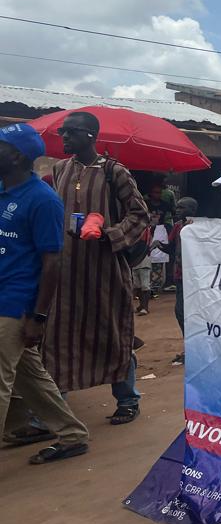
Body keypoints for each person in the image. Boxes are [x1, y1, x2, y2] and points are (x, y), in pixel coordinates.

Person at [38, 111, 149, 427]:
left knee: (112, 332)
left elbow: (139, 215)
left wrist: (109, 234)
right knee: (57, 337)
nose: (65, 137)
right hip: (64, 271)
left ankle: (127, 399)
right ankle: (52, 412)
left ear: (91, 135)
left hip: (104, 269)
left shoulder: (115, 172)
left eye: (71, 132)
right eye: (63, 132)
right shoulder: (60, 169)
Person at [0, 124, 91, 464]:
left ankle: (70, 435)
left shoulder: (43, 200)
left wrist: (38, 316)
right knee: (30, 376)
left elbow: (52, 263)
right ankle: (72, 436)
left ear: (17, 156)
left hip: (15, 303)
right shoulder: (2, 191)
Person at [153, 196, 197, 365]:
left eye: (181, 208)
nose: (177, 211)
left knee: (189, 313)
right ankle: (190, 348)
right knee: (181, 312)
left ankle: (192, 350)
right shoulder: (178, 227)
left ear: (192, 210)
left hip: (195, 277)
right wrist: (159, 244)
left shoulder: (198, 227)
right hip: (180, 276)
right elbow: (172, 249)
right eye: (177, 208)